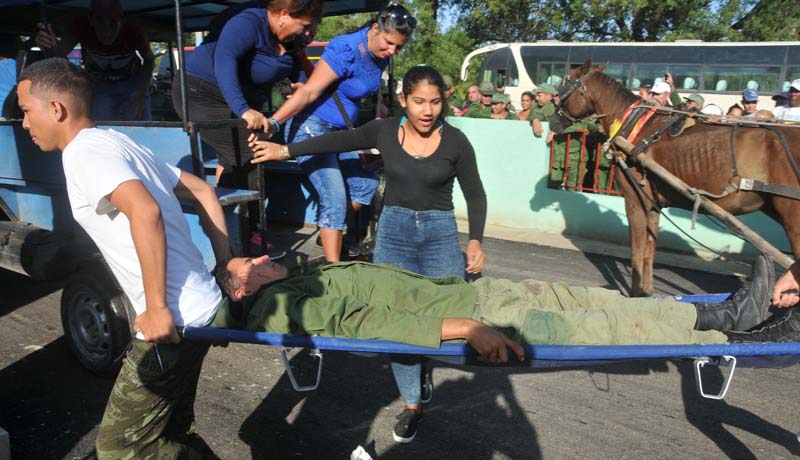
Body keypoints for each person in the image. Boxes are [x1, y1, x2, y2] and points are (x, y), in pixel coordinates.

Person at [251, 65, 487, 444]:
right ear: (404, 100)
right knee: (393, 321)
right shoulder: (384, 130)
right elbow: (338, 141)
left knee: (450, 312)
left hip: (441, 232)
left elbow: (475, 193)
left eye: (436, 102)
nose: (428, 111)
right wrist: (285, 149)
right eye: (420, 102)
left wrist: (475, 239)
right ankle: (413, 403)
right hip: (393, 233)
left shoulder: (456, 141)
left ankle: (423, 364)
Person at [18, 57, 231, 458]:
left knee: (118, 449)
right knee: (171, 429)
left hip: (175, 323)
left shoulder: (83, 154)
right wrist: (225, 263)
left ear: (56, 109)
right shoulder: (115, 141)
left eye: (27, 112)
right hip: (203, 309)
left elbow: (145, 211)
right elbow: (204, 190)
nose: (25, 124)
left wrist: (155, 308)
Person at [213, 254, 797, 356]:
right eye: (248, 264)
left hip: (478, 292)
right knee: (606, 327)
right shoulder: (281, 307)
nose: (259, 257)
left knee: (599, 297)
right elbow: (374, 322)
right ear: (243, 290)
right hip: (483, 313)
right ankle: (732, 332)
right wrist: (468, 326)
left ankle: (727, 312)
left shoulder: (305, 274)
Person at [254, 3, 416, 263]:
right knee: (335, 199)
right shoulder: (347, 48)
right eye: (388, 43)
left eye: (399, 47)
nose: (392, 51)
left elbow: (356, 88)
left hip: (343, 131)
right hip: (312, 128)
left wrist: (379, 105)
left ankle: (330, 228)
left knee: (365, 185)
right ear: (374, 28)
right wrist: (274, 122)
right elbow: (309, 91)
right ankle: (334, 270)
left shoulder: (381, 55)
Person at [174, 0, 323, 260]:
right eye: (305, 26)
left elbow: (297, 69)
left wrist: (300, 84)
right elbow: (224, 59)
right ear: (285, 15)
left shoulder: (289, 40)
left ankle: (224, 230)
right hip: (200, 92)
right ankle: (250, 236)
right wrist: (243, 109)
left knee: (242, 156)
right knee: (251, 151)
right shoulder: (249, 22)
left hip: (238, 103)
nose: (307, 33)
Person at [34, 0, 154, 121]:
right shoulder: (80, 27)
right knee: (101, 123)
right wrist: (49, 46)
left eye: (112, 24)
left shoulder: (134, 31)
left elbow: (149, 60)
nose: (106, 31)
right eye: (100, 22)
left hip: (132, 83)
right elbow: (58, 56)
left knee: (141, 121)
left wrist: (142, 93)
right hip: (100, 84)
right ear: (91, 20)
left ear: (121, 22)